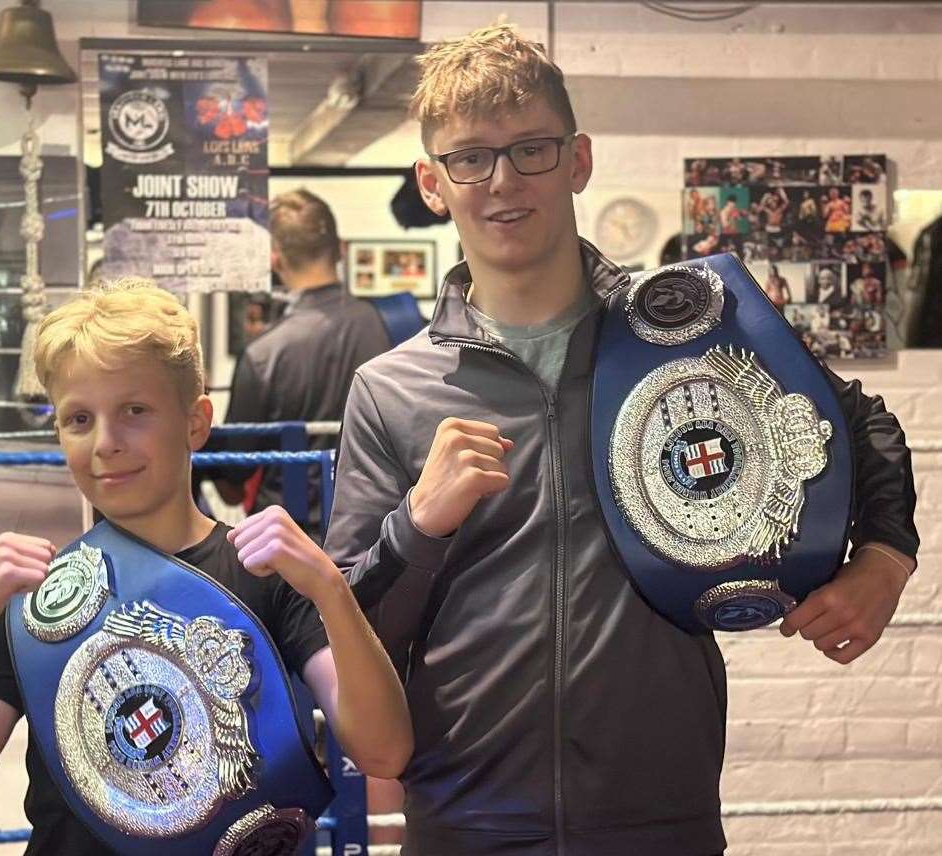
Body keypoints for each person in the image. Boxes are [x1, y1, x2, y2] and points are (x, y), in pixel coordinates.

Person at [323, 25, 918, 856]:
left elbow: (861, 423)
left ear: (578, 160)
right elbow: (354, 632)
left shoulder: (684, 331)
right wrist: (417, 528)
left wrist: (884, 558)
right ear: (432, 182)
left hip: (661, 821)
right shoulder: (391, 390)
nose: (503, 182)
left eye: (530, 149)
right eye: (470, 158)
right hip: (466, 827)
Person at [0, 278, 412, 852]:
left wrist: (330, 591)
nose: (106, 443)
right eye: (78, 419)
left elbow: (384, 753)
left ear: (196, 421)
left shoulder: (266, 573)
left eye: (134, 411)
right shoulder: (34, 598)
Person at [206, 189, 392, 536]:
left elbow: (232, 484)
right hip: (374, 533)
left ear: (275, 261)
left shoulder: (264, 355)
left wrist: (202, 439)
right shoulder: (393, 329)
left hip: (284, 544)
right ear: (341, 248)